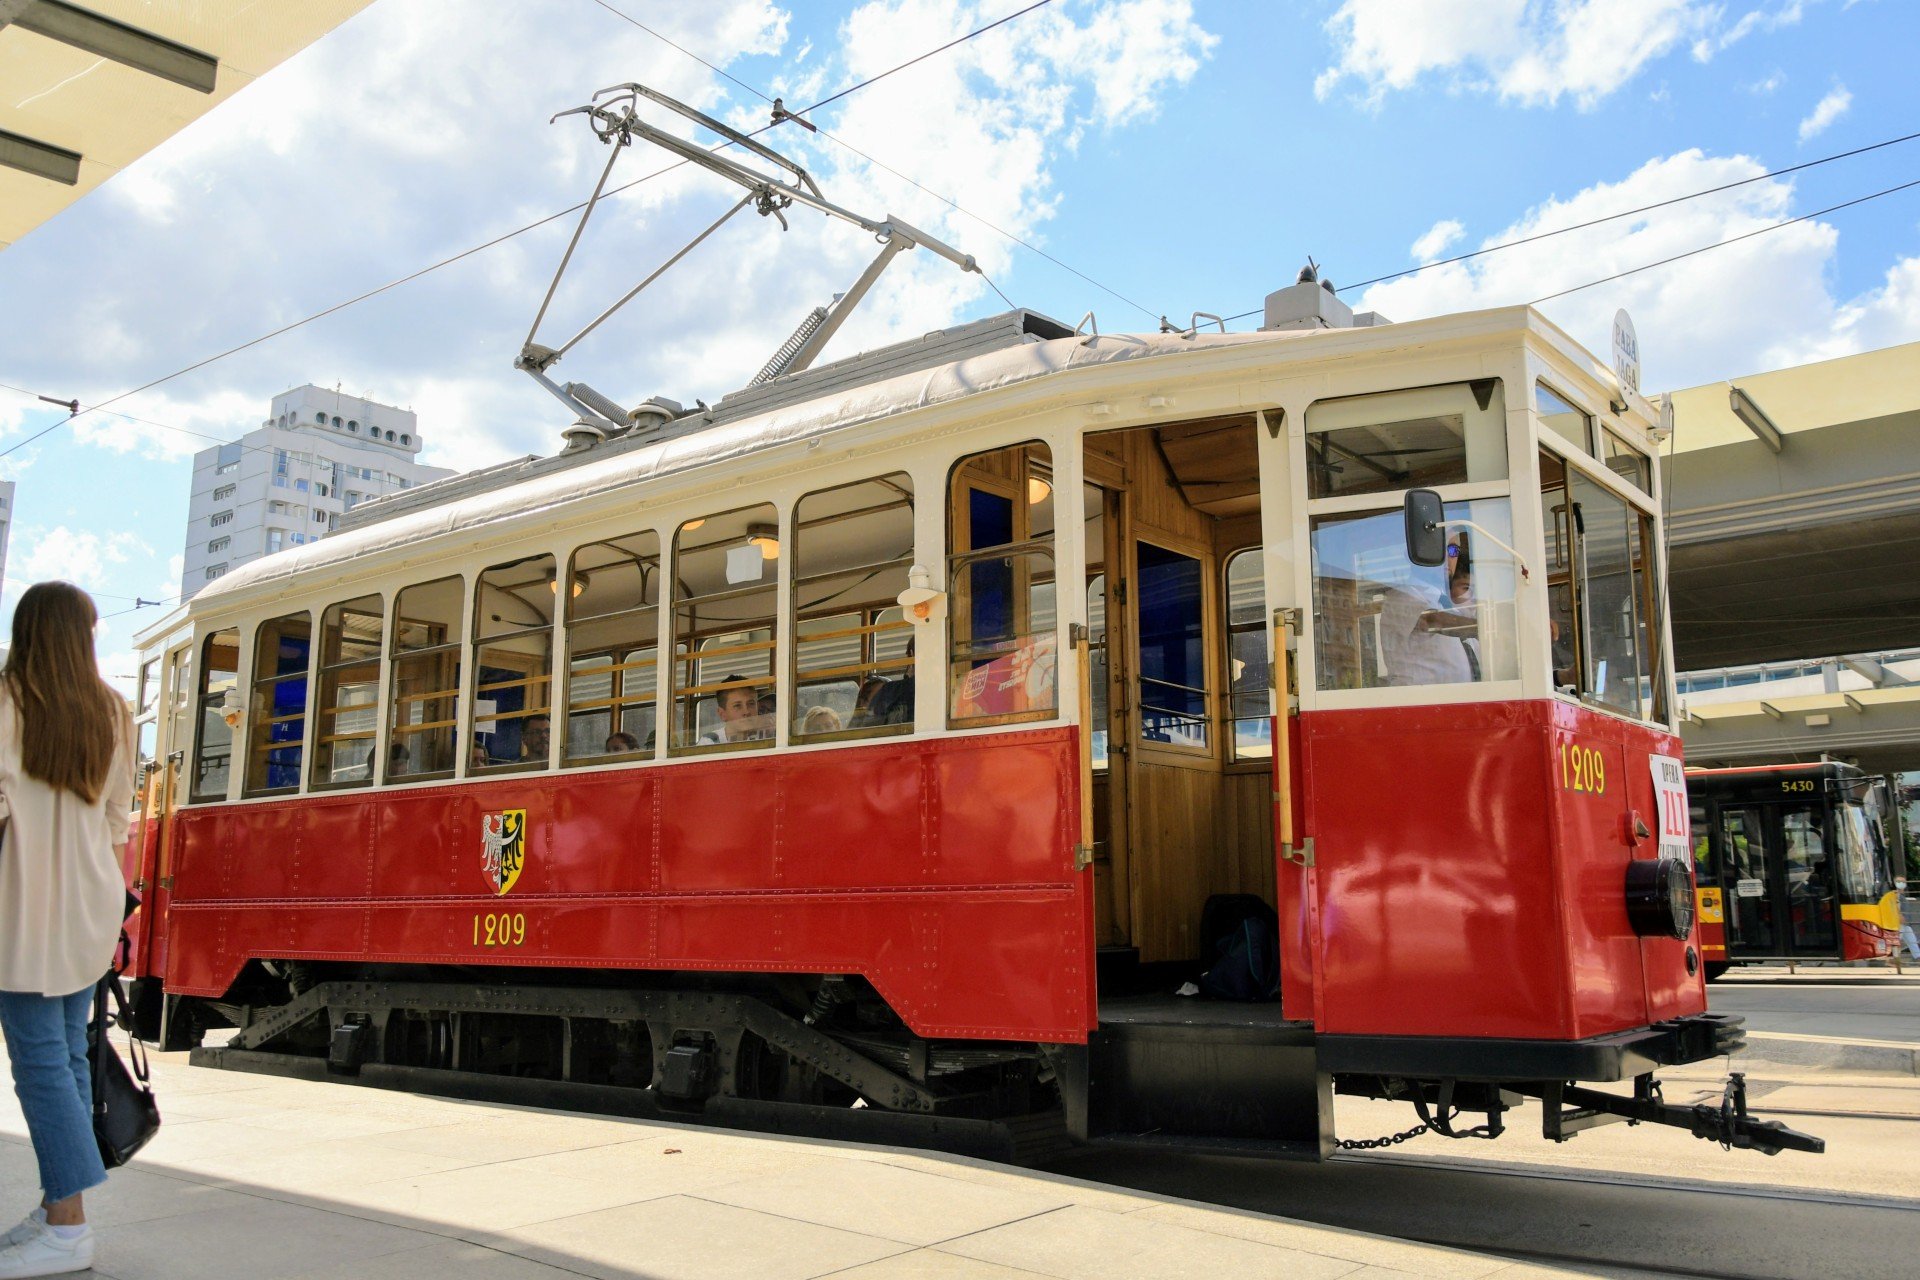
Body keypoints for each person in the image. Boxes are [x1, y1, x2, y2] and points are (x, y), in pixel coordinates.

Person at [0, 583, 137, 1278]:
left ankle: (68, 1230)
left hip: (20, 901)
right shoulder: (114, 709)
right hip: (90, 899)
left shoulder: (7, 701)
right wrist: (112, 911)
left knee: (41, 1065)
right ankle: (61, 1209)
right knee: (67, 1056)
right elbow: (120, 824)